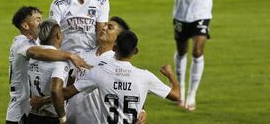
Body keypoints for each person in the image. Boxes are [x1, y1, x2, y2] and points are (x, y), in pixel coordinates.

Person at [33, 30, 180, 124]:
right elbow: (176, 95)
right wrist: (171, 75)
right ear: (135, 51)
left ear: (114, 48)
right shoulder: (145, 77)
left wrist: (42, 100)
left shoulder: (99, 72)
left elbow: (66, 93)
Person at [6, 6, 91, 124]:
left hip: (29, 110)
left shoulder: (32, 42)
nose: (42, 23)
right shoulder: (22, 42)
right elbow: (34, 52)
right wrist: (70, 56)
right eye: (37, 19)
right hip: (20, 111)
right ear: (25, 26)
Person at [28, 19, 70, 124]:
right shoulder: (60, 61)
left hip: (31, 114)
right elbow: (56, 91)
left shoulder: (32, 57)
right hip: (51, 117)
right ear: (58, 36)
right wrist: (62, 118)